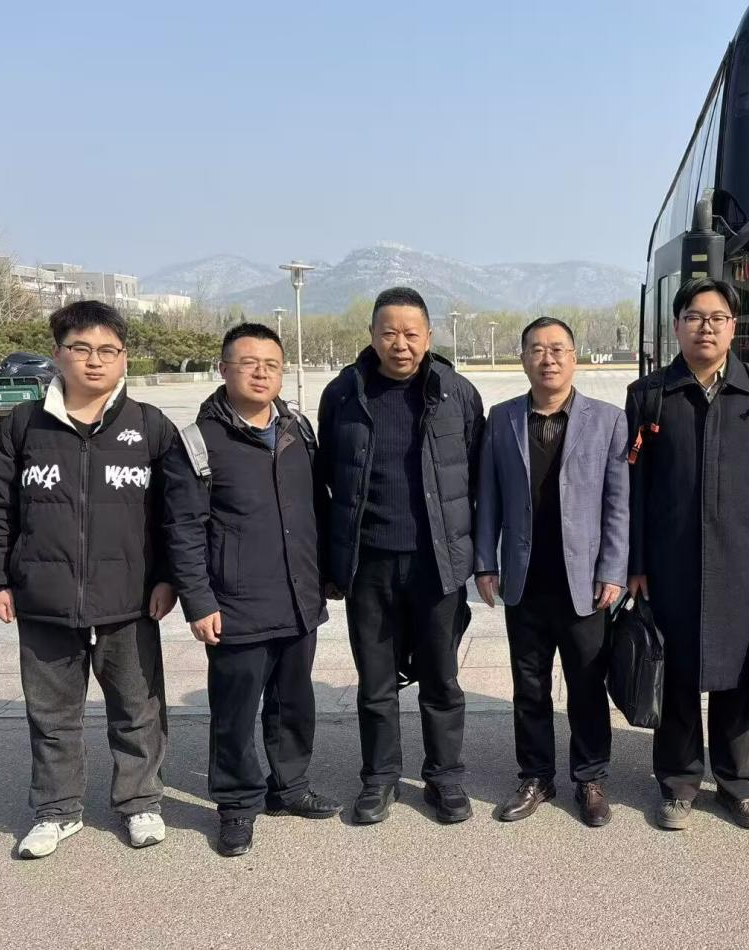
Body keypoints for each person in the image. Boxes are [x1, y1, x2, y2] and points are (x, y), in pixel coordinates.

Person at [0, 300, 178, 859]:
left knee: (138, 708)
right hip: (44, 599)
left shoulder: (149, 426)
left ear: (124, 357)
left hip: (130, 599)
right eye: (80, 348)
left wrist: (168, 579)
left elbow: (175, 514)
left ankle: (140, 801)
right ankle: (57, 810)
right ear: (58, 354)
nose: (94, 361)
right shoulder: (22, 426)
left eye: (108, 350)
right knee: (52, 714)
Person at [162, 323, 342, 857]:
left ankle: (289, 787)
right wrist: (199, 601)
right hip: (235, 604)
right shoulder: (198, 442)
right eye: (248, 363)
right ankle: (237, 805)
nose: (261, 373)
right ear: (224, 369)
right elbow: (183, 530)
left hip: (298, 597)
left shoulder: (298, 430)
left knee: (294, 702)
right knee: (235, 712)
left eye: (271, 364)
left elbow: (319, 508)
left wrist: (329, 574)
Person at [625, 277, 749, 831]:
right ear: (676, 326)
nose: (706, 327)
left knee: (738, 675)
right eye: (695, 317)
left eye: (718, 318)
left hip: (745, 558)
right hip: (671, 560)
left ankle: (738, 784)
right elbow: (635, 487)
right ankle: (677, 784)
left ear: (733, 327)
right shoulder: (650, 394)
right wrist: (636, 563)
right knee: (674, 670)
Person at [316, 287, 484, 825]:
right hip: (369, 564)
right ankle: (379, 777)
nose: (400, 344)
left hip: (437, 563)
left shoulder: (457, 392)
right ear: (371, 335)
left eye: (411, 333)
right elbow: (327, 480)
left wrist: (475, 557)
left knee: (441, 679)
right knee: (375, 682)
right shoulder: (343, 392)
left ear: (429, 337)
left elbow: (474, 477)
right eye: (389, 333)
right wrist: (332, 563)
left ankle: (445, 777)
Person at [474, 317, 629, 827]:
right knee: (529, 686)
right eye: (537, 350)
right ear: (523, 358)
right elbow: (488, 497)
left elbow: (618, 504)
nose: (549, 359)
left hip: (583, 582)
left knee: (587, 684)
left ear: (574, 357)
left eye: (558, 349)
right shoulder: (501, 418)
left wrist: (613, 569)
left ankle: (590, 778)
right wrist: (485, 562)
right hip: (525, 579)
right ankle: (536, 776)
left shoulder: (607, 419)